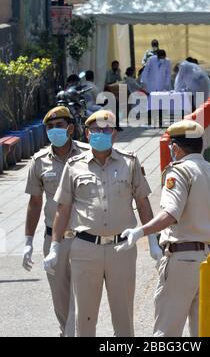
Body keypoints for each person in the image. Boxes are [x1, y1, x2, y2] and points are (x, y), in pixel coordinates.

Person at [43, 110, 162, 337]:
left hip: (122, 248)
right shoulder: (74, 166)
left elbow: (143, 203)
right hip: (85, 249)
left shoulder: (130, 162)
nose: (101, 134)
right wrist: (55, 247)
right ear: (87, 134)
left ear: (114, 134)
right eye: (96, 130)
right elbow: (63, 209)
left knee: (123, 317)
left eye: (106, 130)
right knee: (85, 319)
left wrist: (153, 241)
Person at [116, 119, 210, 337]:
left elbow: (171, 214)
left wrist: (141, 231)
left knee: (167, 333)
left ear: (176, 147)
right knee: (201, 331)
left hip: (182, 260)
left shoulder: (179, 172)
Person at [23, 106, 89, 337]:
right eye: (49, 127)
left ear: (70, 128)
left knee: (82, 296)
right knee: (60, 296)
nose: (54, 131)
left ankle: (75, 333)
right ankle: (67, 330)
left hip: (85, 237)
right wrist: (28, 241)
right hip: (54, 238)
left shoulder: (88, 155)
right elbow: (34, 203)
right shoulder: (39, 161)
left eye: (59, 126)